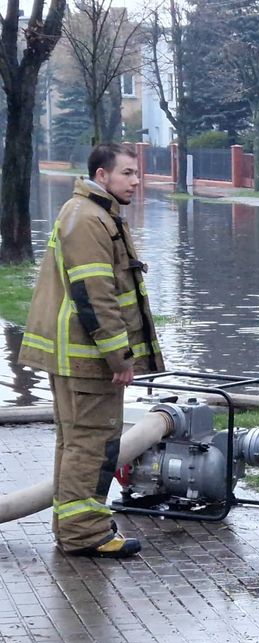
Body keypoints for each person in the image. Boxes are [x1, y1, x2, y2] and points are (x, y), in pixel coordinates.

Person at [17, 143, 164, 558]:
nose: (136, 181)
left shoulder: (91, 214)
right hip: (88, 357)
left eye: (137, 174)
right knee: (93, 443)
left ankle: (74, 528)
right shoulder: (89, 219)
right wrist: (119, 358)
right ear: (102, 175)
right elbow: (95, 295)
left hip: (78, 355)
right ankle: (86, 534)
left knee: (77, 441)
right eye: (128, 173)